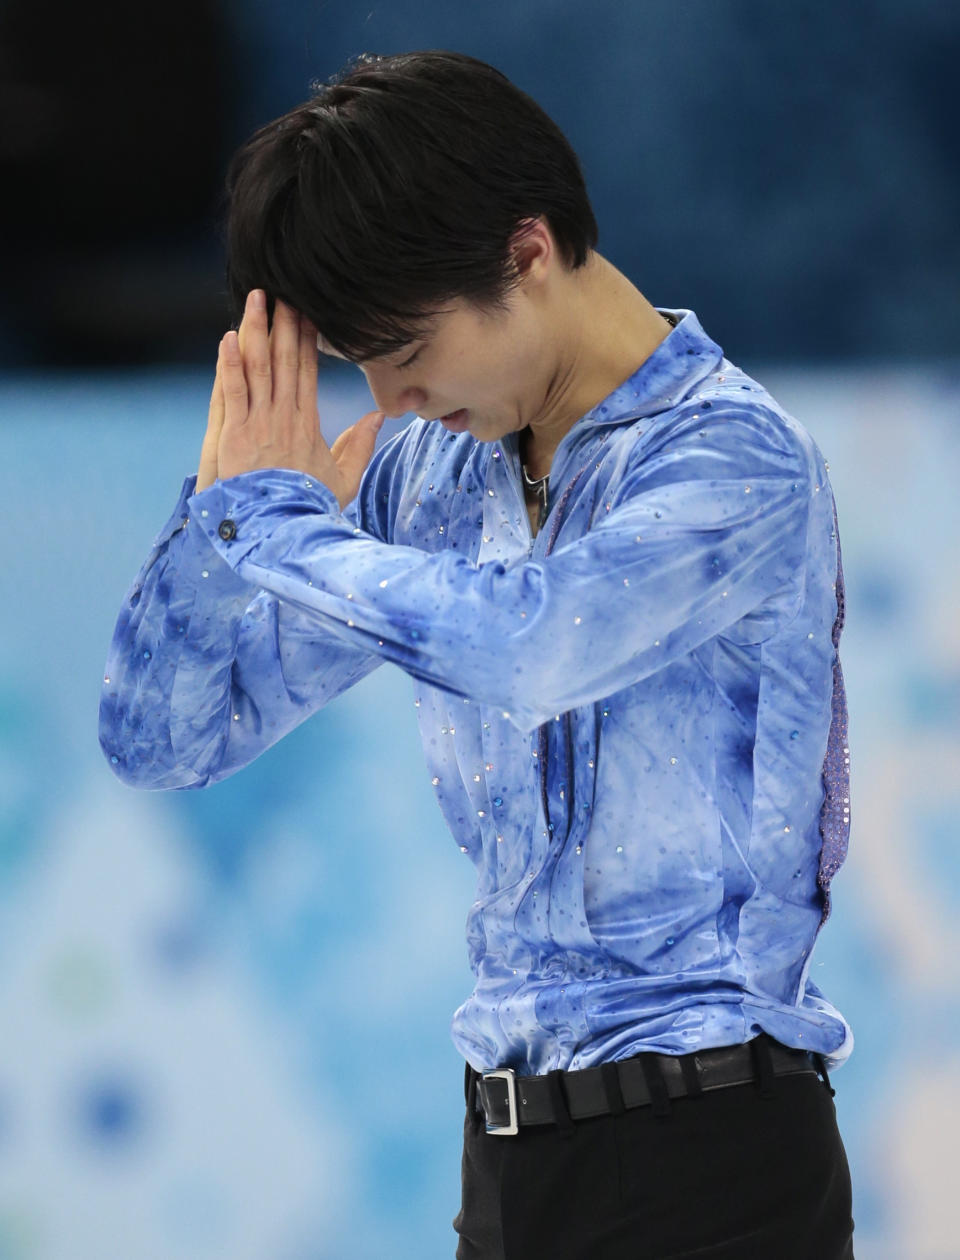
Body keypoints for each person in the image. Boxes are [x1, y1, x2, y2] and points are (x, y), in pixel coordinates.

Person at [99, 49, 856, 1259]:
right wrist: (215, 516)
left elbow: (531, 643)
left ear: (528, 250)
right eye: (358, 362)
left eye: (404, 344)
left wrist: (278, 527)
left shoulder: (736, 462)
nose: (390, 398)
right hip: (506, 1165)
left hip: (713, 1153)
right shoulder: (430, 467)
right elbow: (162, 739)